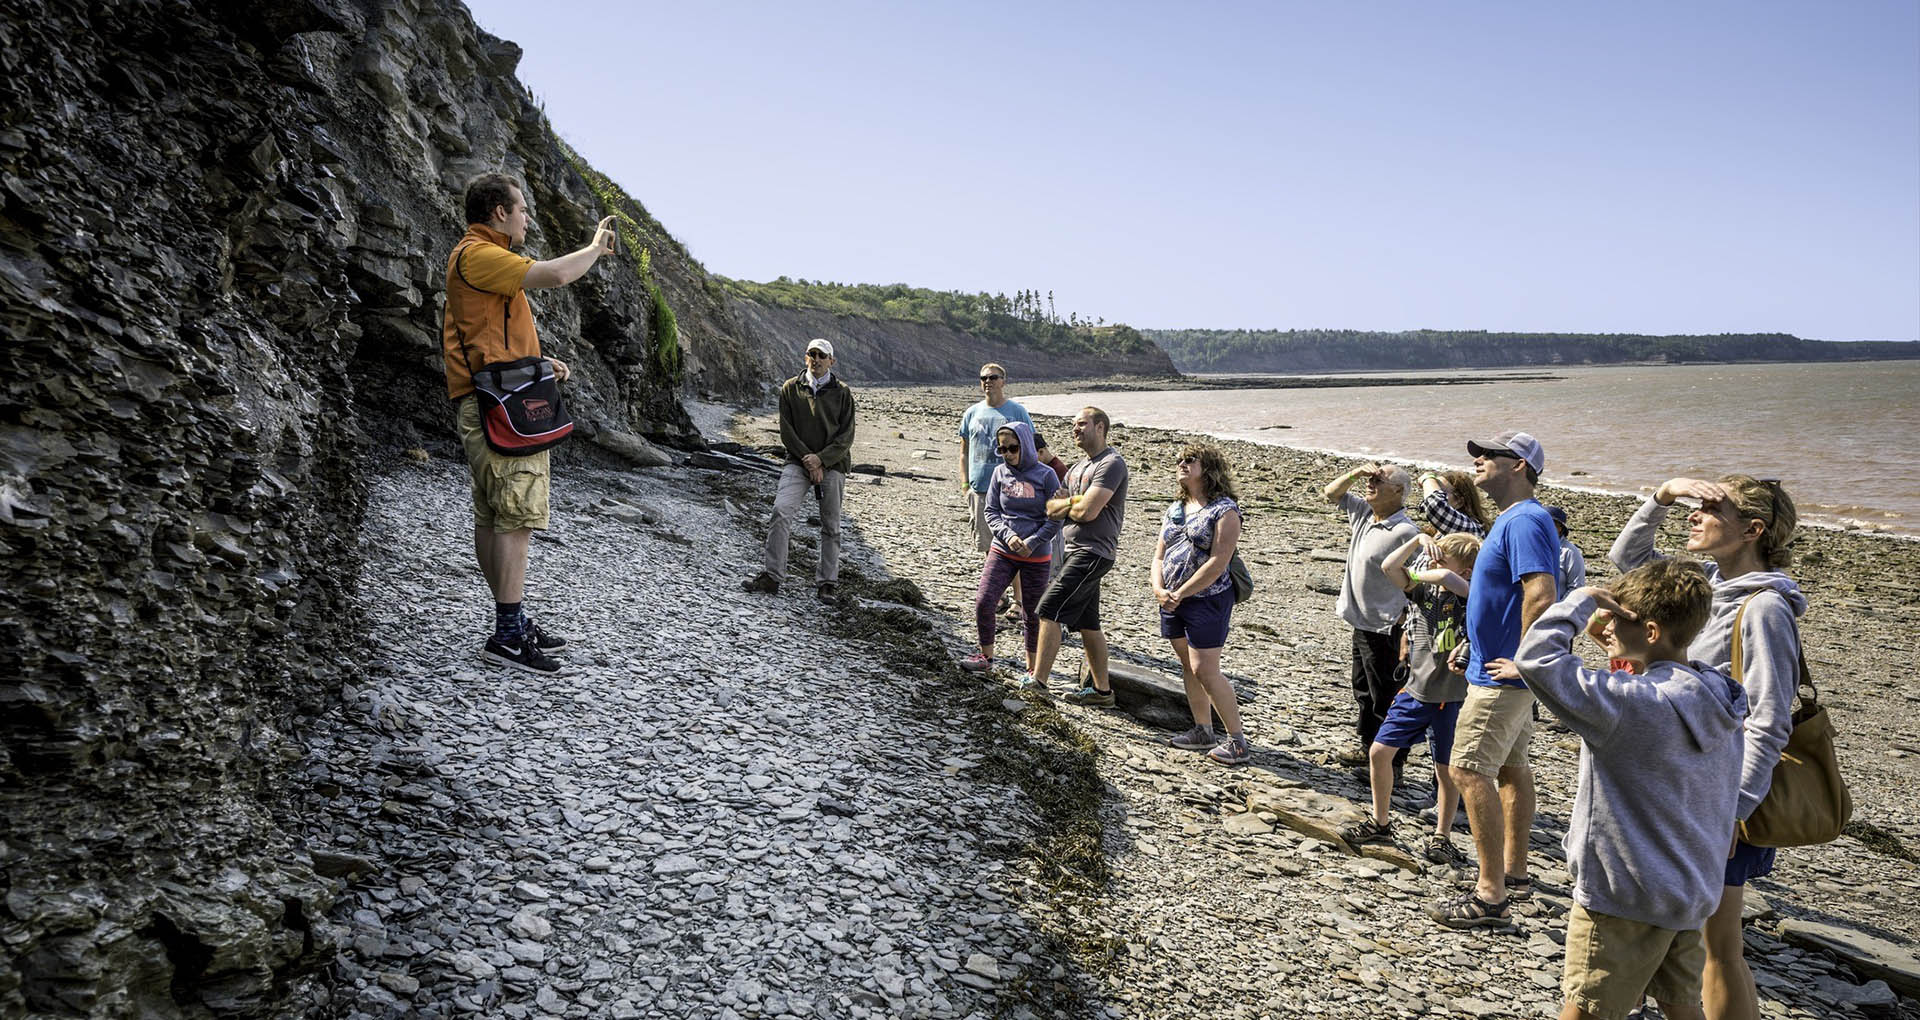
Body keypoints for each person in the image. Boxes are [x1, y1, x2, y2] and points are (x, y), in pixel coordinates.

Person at [1491, 560, 1745, 1020]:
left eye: (1614, 616)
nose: (1603, 623)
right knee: (1680, 1004)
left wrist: (1579, 600)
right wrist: (1614, 630)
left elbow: (1536, 659)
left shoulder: (1631, 704)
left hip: (1625, 892)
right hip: (1689, 888)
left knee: (1586, 1008)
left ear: (1649, 631)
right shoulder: (1718, 695)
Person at [1609, 476, 1803, 1020]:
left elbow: (1769, 720)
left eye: (1710, 509)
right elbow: (1629, 558)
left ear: (1753, 530)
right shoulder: (1710, 584)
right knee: (1690, 936)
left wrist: (1732, 813)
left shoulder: (1764, 609)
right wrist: (1662, 496)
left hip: (1723, 796)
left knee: (1720, 947)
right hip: (1690, 786)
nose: (1694, 515)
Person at [442, 172, 616, 674]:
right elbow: (557, 275)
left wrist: (542, 364)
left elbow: (487, 335)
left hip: (492, 395)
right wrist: (593, 246)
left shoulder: (476, 258)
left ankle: (511, 621)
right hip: (498, 405)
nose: (527, 217)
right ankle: (508, 635)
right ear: (499, 211)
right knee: (515, 515)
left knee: (494, 515)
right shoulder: (479, 253)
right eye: (521, 209)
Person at [1429, 430, 1560, 930]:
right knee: (1510, 767)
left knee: (1466, 770)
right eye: (1478, 455)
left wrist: (1524, 662)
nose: (1479, 461)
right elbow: (1502, 600)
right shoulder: (1514, 519)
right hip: (1496, 666)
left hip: (1502, 678)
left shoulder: (1525, 519)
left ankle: (1490, 895)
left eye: (1490, 455)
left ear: (1520, 466)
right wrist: (1475, 643)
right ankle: (1517, 875)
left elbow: (1541, 594)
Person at [1343, 531, 1480, 867]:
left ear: (1466, 571)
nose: (1433, 562)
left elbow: (1449, 577)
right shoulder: (1425, 591)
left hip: (1451, 698)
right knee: (1378, 752)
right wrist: (1418, 540)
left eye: (1441, 558)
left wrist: (1427, 569)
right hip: (1416, 691)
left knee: (1446, 771)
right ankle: (1380, 822)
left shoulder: (1471, 596)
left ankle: (1442, 836)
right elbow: (1389, 566)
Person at [1150, 444, 1250, 764]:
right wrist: (1158, 588)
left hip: (1207, 599)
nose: (1181, 464)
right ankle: (1202, 729)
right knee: (1188, 666)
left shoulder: (1225, 510)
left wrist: (1183, 592)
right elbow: (1159, 555)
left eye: (1189, 460)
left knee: (1205, 668)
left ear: (1208, 469)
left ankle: (1236, 741)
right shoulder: (1176, 508)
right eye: (1178, 459)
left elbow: (1219, 562)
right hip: (1172, 599)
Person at [1321, 462, 1419, 767]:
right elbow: (1330, 493)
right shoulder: (1365, 513)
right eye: (1371, 478)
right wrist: (1356, 473)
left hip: (1387, 627)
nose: (1371, 482)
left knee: (1386, 696)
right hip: (1361, 622)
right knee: (1363, 690)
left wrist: (1409, 623)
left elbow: (1419, 579)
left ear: (1399, 492)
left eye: (1379, 480)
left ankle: (1392, 764)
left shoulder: (1405, 531)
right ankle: (1368, 748)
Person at [743, 339, 856, 600]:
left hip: (833, 464)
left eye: (821, 355)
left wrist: (822, 460)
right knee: (781, 511)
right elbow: (787, 430)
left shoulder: (843, 393)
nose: (815, 359)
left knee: (831, 525)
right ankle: (772, 576)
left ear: (832, 361)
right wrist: (809, 459)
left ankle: (827, 583)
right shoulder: (790, 388)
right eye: (811, 354)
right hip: (798, 461)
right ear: (806, 357)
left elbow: (846, 436)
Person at [1027, 407, 1128, 700]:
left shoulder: (1111, 464)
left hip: (1094, 552)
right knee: (1088, 624)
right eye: (1073, 425)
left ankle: (1039, 683)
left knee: (1048, 608)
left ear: (1100, 427)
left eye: (1082, 424)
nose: (1075, 429)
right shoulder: (1075, 469)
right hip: (1072, 551)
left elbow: (1088, 511)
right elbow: (1050, 509)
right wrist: (1075, 503)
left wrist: (1070, 504)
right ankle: (1102, 691)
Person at [961, 422, 1063, 676]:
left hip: (1036, 556)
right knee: (984, 601)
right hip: (1003, 550)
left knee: (1032, 613)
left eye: (1012, 448)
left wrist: (1033, 542)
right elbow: (991, 511)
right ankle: (986, 656)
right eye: (1002, 449)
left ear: (1026, 445)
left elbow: (1056, 517)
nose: (1007, 454)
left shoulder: (1046, 475)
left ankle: (1032, 669)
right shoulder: (999, 473)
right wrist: (1007, 535)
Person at [958, 363, 1035, 557]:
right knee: (987, 546)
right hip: (980, 489)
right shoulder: (971, 413)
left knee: (1014, 543)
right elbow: (964, 452)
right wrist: (965, 486)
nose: (988, 382)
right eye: (984, 378)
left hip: (1011, 488)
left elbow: (1031, 448)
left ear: (1003, 382)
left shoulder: (1017, 412)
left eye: (993, 377)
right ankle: (994, 587)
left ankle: (1018, 589)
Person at [1417, 468, 1494, 538]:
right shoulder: (1440, 530)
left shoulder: (1471, 529)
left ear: (1459, 501)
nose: (1438, 494)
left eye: (1441, 491)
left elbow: (1434, 505)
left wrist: (1427, 478)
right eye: (1437, 489)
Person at [1548, 505, 1589, 592]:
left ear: (1559, 528)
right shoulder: (1535, 548)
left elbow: (1577, 587)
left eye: (1549, 524)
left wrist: (1560, 605)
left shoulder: (1570, 552)